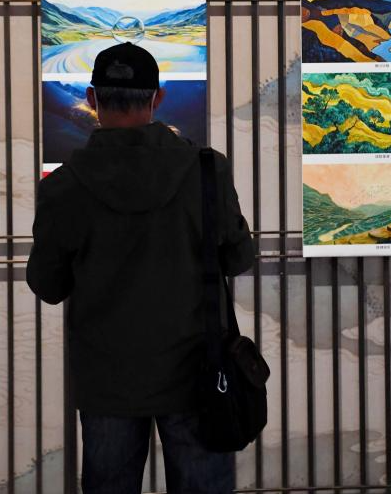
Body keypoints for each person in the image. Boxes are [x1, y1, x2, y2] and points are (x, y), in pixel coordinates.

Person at [27, 41, 254, 494]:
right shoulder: (206, 170)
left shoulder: (64, 187)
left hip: (107, 377)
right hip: (198, 372)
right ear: (158, 98)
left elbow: (48, 285)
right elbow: (239, 258)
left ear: (92, 99)